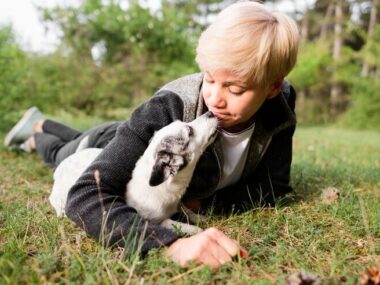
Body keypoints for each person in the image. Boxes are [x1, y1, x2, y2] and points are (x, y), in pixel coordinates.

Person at [4, 1, 299, 270]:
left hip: (121, 136)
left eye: (234, 89)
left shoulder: (281, 103)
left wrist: (205, 205)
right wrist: (168, 243)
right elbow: (84, 196)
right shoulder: (165, 109)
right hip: (105, 143)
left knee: (77, 138)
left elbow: (274, 185)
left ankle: (42, 123)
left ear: (272, 88)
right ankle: (34, 135)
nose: (215, 100)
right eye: (209, 78)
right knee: (64, 153)